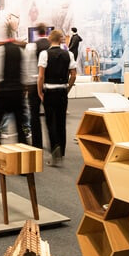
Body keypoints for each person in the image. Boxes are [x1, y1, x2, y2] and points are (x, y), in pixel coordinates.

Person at [0, 20, 34, 143]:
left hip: (1, 94)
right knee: (21, 131)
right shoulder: (22, 52)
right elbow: (27, 77)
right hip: (17, 94)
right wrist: (24, 91)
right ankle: (23, 158)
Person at [38, 29, 76, 166]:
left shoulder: (44, 54)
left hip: (49, 91)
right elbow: (73, 75)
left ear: (49, 39)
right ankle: (62, 152)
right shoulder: (69, 54)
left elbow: (41, 75)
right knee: (61, 122)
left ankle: (55, 150)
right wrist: (68, 88)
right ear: (60, 40)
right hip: (62, 92)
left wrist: (39, 91)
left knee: (50, 121)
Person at [27, 23, 51, 151]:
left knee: (34, 115)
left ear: (37, 32)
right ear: (46, 31)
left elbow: (28, 66)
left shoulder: (31, 47)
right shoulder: (50, 46)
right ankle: (53, 143)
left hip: (33, 84)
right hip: (48, 84)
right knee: (50, 116)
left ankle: (37, 143)